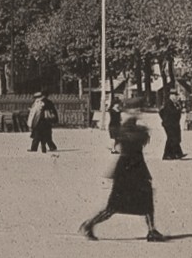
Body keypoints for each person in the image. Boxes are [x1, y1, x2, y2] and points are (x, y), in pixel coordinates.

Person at [79, 112, 167, 242]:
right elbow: (137, 139)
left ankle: (151, 230)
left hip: (137, 170)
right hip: (127, 172)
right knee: (113, 207)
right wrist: (142, 130)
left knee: (147, 202)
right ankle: (88, 224)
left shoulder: (130, 130)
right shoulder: (128, 131)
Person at [158, 92, 185, 160]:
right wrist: (178, 109)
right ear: (172, 96)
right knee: (171, 138)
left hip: (173, 124)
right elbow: (172, 112)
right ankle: (167, 154)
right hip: (169, 124)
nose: (177, 98)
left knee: (174, 138)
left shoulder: (172, 103)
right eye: (175, 96)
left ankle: (176, 154)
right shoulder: (169, 103)